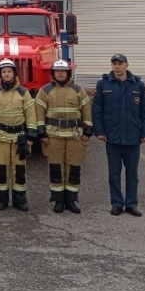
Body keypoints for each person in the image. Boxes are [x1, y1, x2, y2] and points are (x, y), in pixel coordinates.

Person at [92, 54, 145, 217]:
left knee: (132, 172)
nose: (117, 67)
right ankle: (117, 203)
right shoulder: (103, 84)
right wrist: (99, 131)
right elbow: (97, 110)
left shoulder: (138, 85)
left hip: (133, 136)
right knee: (114, 172)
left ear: (127, 65)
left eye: (120, 63)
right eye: (114, 64)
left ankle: (131, 204)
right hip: (112, 137)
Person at [35, 59, 93, 214]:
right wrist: (41, 132)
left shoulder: (78, 90)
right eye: (57, 71)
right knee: (56, 167)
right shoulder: (45, 91)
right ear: (53, 73)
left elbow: (87, 112)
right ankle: (58, 200)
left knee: (73, 166)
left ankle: (72, 200)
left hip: (75, 137)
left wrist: (87, 131)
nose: (60, 73)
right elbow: (39, 113)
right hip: (53, 136)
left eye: (63, 71)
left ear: (68, 73)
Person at [0, 58, 37, 211]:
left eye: (9, 71)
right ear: (0, 74)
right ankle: (1, 199)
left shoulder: (23, 92)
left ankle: (20, 200)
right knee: (1, 168)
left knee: (19, 169)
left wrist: (31, 136)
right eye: (4, 72)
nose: (7, 74)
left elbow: (30, 114)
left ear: (14, 73)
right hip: (0, 137)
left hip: (19, 139)